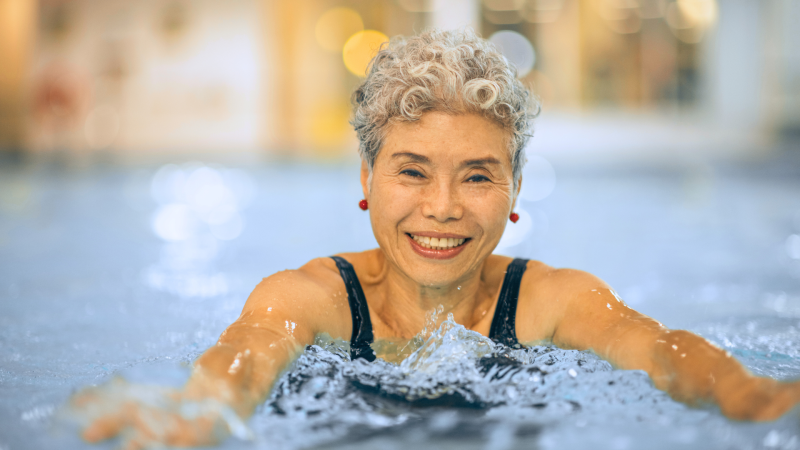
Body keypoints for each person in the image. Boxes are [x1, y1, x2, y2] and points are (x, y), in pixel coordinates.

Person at [72, 29, 800, 448]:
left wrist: (745, 391)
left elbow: (662, 350)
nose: (442, 208)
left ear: (514, 189)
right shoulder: (310, 299)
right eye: (412, 171)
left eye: (477, 176)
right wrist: (193, 414)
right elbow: (242, 362)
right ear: (366, 177)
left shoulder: (551, 300)